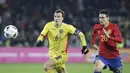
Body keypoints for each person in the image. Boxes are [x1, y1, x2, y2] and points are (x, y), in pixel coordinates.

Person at [36, 9, 89, 73]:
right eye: (55, 16)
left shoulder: (67, 27)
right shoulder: (48, 25)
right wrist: (39, 40)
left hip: (62, 56)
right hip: (52, 55)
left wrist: (84, 46)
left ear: (62, 18)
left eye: (58, 17)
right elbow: (42, 35)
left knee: (47, 66)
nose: (56, 18)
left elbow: (81, 34)